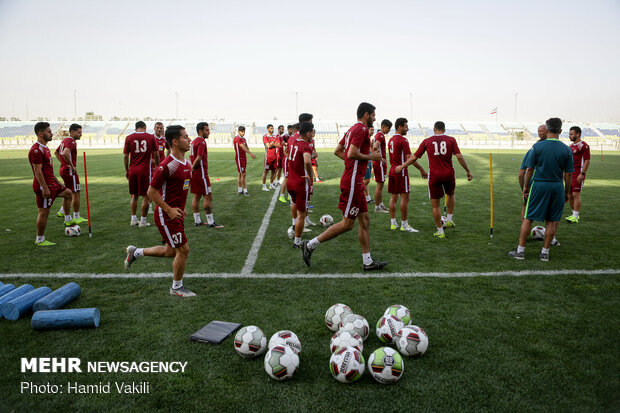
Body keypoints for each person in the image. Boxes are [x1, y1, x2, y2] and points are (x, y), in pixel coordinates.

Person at [301, 102, 387, 271]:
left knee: (365, 221)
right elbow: (351, 153)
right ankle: (310, 245)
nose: (375, 118)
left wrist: (354, 163)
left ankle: (367, 261)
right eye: (373, 115)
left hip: (355, 181)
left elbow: (338, 151)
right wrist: (371, 157)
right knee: (348, 224)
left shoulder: (351, 130)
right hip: (353, 183)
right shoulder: (361, 130)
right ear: (366, 114)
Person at [125, 125, 196, 297]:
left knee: (170, 251)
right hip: (166, 215)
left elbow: (180, 188)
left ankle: (136, 252)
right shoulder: (167, 165)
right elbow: (151, 192)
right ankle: (176, 287)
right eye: (186, 137)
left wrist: (181, 208)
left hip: (175, 213)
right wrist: (169, 209)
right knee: (183, 250)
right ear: (175, 141)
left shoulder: (186, 163)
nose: (189, 140)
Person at [509, 117, 573, 261]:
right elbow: (568, 174)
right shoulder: (566, 150)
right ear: (561, 131)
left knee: (528, 218)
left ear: (547, 129)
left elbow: (529, 169)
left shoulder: (537, 147)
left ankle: (520, 251)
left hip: (539, 185)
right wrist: (567, 192)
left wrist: (526, 186)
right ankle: (545, 253)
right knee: (552, 220)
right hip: (557, 186)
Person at [397, 121, 472, 238]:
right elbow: (459, 157)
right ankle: (449, 219)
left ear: (434, 129)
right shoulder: (451, 140)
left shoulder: (427, 141)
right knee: (451, 195)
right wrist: (468, 171)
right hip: (449, 174)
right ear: (444, 130)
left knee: (435, 206)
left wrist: (402, 166)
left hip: (435, 176)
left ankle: (440, 231)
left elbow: (414, 158)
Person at [29, 122, 73, 246]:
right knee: (44, 212)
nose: (51, 133)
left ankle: (68, 219)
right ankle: (40, 239)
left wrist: (57, 181)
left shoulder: (45, 148)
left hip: (52, 184)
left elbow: (46, 170)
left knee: (68, 193)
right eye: (48, 131)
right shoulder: (36, 150)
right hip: (44, 186)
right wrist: (44, 187)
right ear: (40, 133)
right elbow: (38, 171)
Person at [519, 125, 560, 246]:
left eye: (541, 131)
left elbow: (522, 172)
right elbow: (566, 173)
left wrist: (524, 187)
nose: (539, 133)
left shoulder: (533, 149)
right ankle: (551, 240)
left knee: (527, 211)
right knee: (552, 215)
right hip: (553, 185)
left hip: (534, 184)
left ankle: (523, 240)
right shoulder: (561, 149)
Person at [388, 118, 427, 232]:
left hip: (392, 170)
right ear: (400, 127)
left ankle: (393, 223)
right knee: (405, 198)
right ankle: (404, 225)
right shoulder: (403, 140)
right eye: (406, 127)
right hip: (401, 172)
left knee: (393, 197)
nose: (407, 129)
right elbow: (410, 158)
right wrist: (421, 169)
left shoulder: (390, 139)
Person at [123, 121, 159, 227]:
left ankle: (133, 219)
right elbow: (156, 154)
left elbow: (125, 156)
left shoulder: (129, 138)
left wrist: (127, 170)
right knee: (146, 196)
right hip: (144, 171)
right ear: (144, 127)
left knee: (134, 195)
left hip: (132, 170)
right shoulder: (150, 137)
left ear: (135, 128)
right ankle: (143, 221)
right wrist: (157, 165)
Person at [190, 122, 223, 228]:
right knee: (208, 196)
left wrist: (192, 170)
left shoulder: (194, 141)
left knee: (197, 196)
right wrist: (193, 168)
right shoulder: (201, 142)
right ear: (201, 131)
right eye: (207, 130)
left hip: (195, 174)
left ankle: (197, 220)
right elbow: (199, 157)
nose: (209, 132)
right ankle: (210, 222)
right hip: (201, 174)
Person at [287, 122, 315, 247]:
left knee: (295, 205)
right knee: (302, 214)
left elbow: (288, 153)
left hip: (290, 181)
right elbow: (308, 161)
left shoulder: (292, 140)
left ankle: (294, 228)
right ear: (308, 133)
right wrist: (310, 175)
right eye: (312, 132)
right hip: (300, 183)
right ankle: (297, 242)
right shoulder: (306, 145)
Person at [54, 123, 87, 224]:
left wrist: (63, 163)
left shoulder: (65, 140)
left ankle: (62, 211)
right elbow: (64, 153)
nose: (80, 134)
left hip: (64, 169)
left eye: (81, 132)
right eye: (79, 132)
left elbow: (56, 153)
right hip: (69, 171)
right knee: (76, 192)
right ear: (72, 132)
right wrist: (72, 166)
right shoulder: (71, 141)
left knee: (68, 192)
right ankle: (76, 216)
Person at [565, 126, 591, 223]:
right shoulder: (570, 146)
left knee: (576, 194)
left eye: (571, 134)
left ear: (578, 134)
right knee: (570, 194)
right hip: (570, 173)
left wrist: (582, 173)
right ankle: (574, 215)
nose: (569, 136)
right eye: (569, 134)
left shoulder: (584, 146)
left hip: (578, 172)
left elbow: (587, 160)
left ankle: (575, 216)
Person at [373, 119, 392, 213]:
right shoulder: (380, 135)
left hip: (379, 163)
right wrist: (381, 158)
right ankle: (377, 207)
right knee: (379, 185)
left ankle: (381, 204)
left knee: (381, 184)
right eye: (388, 128)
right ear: (383, 127)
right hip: (379, 164)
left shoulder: (378, 135)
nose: (389, 130)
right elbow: (375, 146)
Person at [233, 126, 256, 196]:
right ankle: (245, 191)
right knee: (243, 174)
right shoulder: (237, 138)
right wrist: (250, 153)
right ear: (238, 132)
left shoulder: (243, 139)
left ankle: (240, 190)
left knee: (240, 174)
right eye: (242, 131)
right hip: (239, 158)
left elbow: (246, 147)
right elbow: (242, 147)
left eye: (244, 131)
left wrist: (247, 149)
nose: (243, 133)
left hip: (243, 158)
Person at [278, 124, 293, 203]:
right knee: (286, 177)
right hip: (287, 158)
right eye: (290, 129)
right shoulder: (285, 136)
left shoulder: (293, 137)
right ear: (288, 130)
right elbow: (283, 143)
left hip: (291, 158)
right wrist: (288, 144)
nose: (292, 131)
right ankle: (281, 195)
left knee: (290, 177)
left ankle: (289, 195)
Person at [261, 124, 279, 191]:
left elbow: (278, 145)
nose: (272, 129)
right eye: (271, 128)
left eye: (273, 128)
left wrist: (272, 143)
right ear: (268, 129)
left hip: (274, 156)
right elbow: (268, 146)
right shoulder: (265, 136)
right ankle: (264, 186)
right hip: (268, 156)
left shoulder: (275, 136)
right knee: (266, 171)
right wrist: (273, 144)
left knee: (273, 171)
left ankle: (271, 185)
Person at [363, 126, 375, 204]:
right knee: (366, 180)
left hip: (368, 158)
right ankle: (357, 194)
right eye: (371, 130)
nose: (372, 131)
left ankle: (367, 198)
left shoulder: (369, 138)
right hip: (365, 159)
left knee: (367, 180)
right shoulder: (365, 138)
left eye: (373, 130)